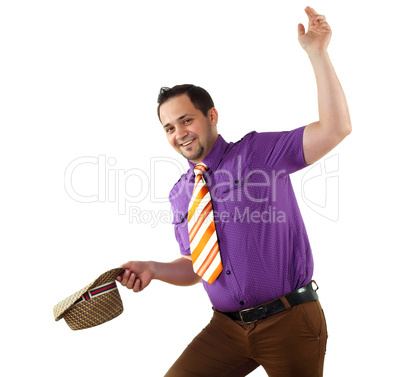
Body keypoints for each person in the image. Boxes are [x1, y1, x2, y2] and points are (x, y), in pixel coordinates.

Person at [117, 6, 351, 376]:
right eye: (168, 128)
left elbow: (335, 129)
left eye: (186, 120)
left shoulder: (257, 153)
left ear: (211, 116)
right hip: (225, 328)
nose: (179, 134)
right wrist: (153, 268)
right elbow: (198, 266)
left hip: (288, 320)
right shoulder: (182, 194)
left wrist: (317, 53)